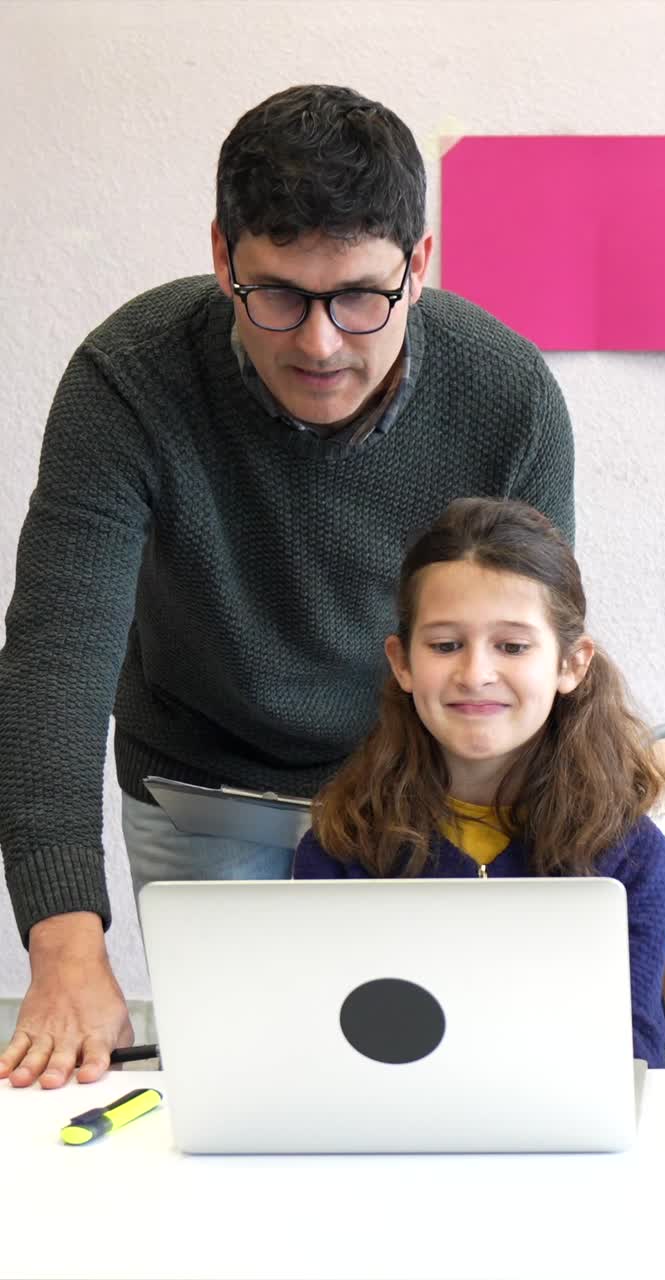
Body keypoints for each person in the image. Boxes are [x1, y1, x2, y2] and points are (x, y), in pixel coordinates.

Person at [0, 84, 574, 1090]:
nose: (319, 343)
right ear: (221, 256)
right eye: (277, 294)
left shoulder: (507, 394)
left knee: (420, 1082)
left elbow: (525, 656)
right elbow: (56, 654)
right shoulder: (129, 377)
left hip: (417, 782)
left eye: (360, 297)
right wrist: (64, 942)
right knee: (240, 1084)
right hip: (204, 785)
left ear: (419, 266)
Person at [294, 497, 665, 1068]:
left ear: (571, 664)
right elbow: (328, 1051)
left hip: (564, 1123)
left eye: (513, 646)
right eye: (445, 645)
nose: (475, 674)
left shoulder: (631, 854)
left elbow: (632, 1056)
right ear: (402, 663)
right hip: (402, 1118)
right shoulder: (342, 846)